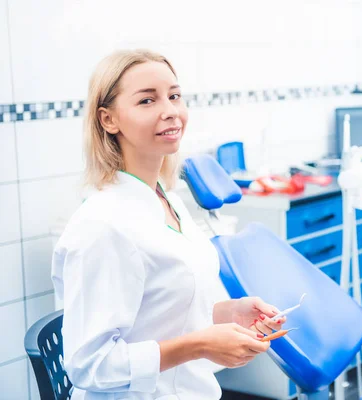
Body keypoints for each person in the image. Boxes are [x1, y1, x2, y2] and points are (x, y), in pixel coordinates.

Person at [51, 49, 285, 399]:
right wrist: (200, 344)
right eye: (147, 100)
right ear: (108, 119)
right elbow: (89, 365)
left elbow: (164, 308)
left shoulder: (165, 199)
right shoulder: (104, 226)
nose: (170, 111)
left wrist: (227, 314)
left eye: (174, 96)